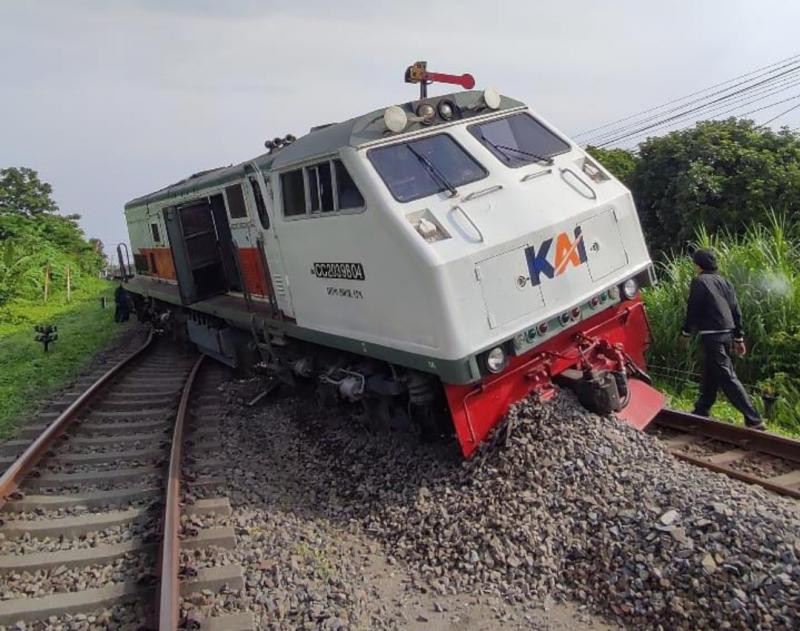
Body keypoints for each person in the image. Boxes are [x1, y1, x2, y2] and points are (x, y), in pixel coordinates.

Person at [678, 249, 765, 430]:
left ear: (698, 264)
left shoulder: (699, 281)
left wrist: (686, 333)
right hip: (727, 333)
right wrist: (739, 338)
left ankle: (753, 418)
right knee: (712, 371)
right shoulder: (725, 282)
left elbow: (692, 309)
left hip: (712, 335)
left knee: (726, 375)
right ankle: (702, 409)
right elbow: (736, 310)